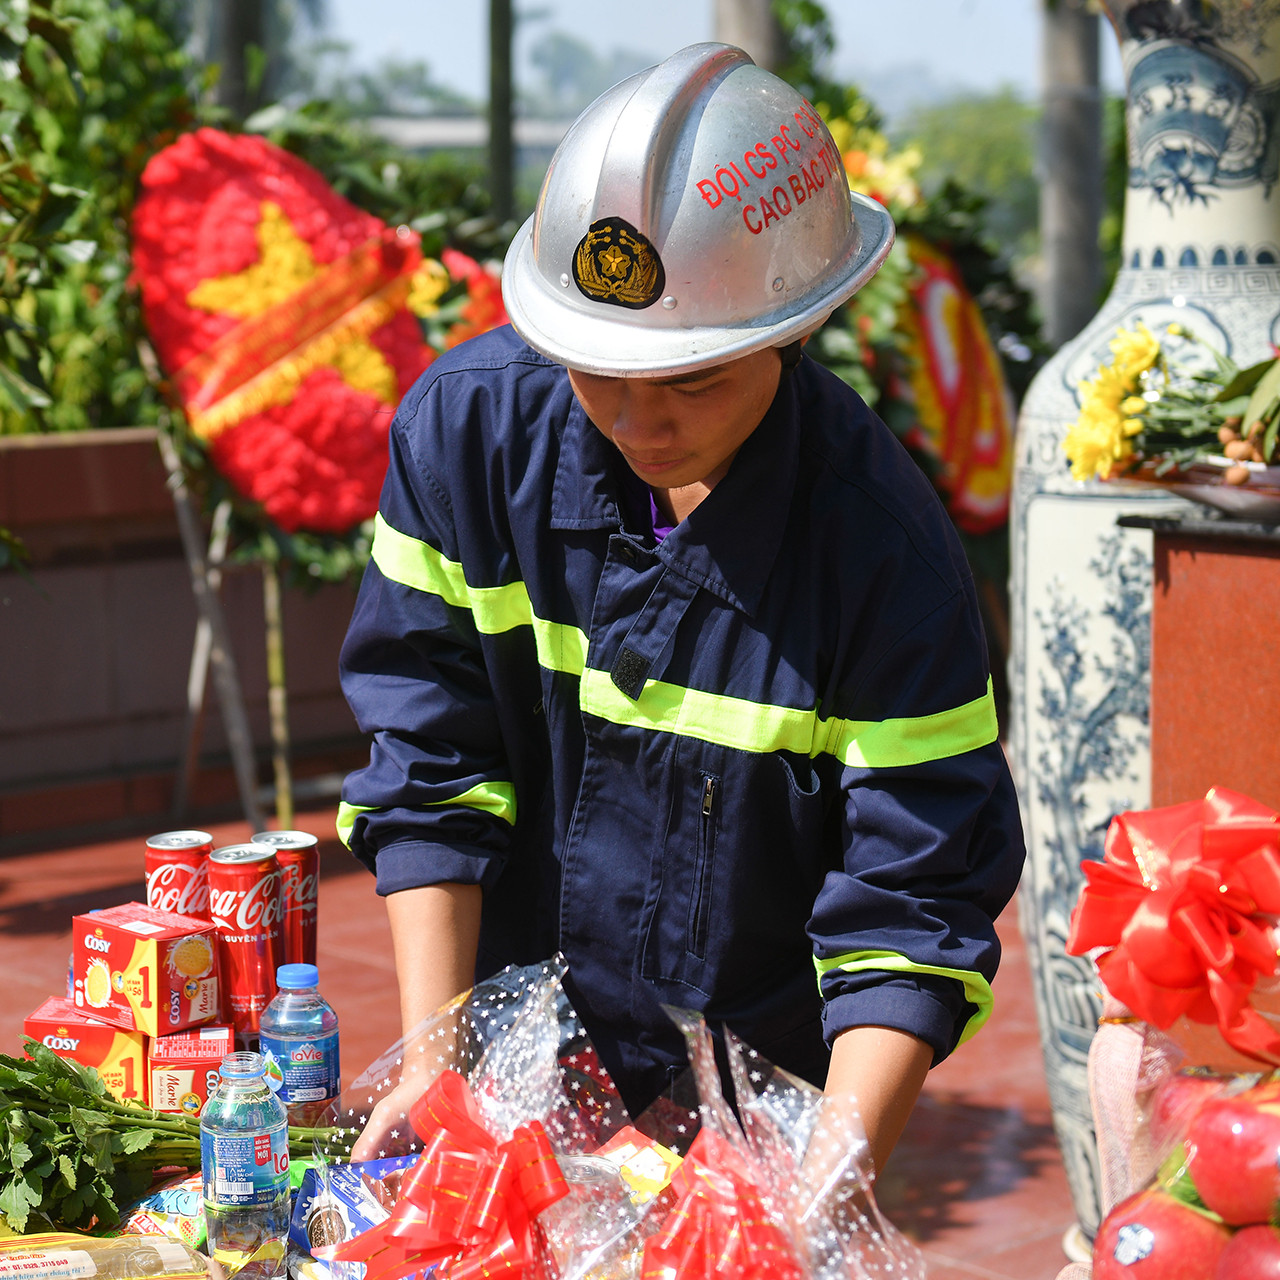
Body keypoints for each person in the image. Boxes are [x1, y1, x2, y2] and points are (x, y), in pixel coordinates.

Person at [337, 43, 1025, 1172]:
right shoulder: (464, 440)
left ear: (790, 329)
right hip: (505, 1076)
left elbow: (911, 909)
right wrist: (433, 1059)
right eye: (595, 367)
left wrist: (817, 1200)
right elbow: (430, 764)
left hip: (761, 1124)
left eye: (694, 378)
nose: (638, 420)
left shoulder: (885, 558)